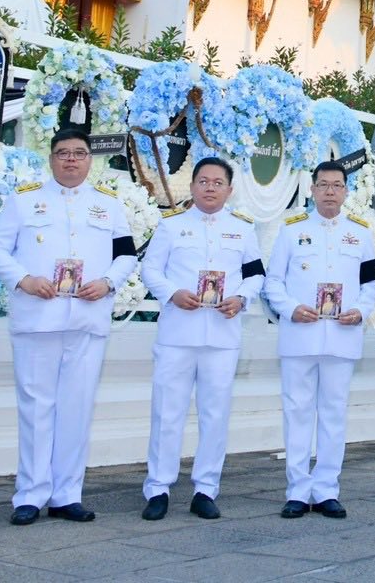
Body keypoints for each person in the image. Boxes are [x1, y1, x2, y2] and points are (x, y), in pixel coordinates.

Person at [0, 127, 137, 526]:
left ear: (90, 159)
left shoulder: (109, 205)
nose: (71, 159)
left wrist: (107, 283)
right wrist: (23, 279)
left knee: (76, 408)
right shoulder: (23, 201)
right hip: (38, 319)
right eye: (63, 153)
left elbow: (126, 255)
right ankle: (30, 495)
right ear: (51, 159)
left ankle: (67, 494)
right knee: (36, 408)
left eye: (79, 153)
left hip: (87, 320)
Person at [139, 158, 264, 521]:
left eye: (218, 182)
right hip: (178, 331)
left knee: (215, 413)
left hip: (222, 335)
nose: (210, 187)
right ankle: (158, 488)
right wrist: (171, 292)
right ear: (192, 186)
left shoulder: (242, 229)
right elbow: (150, 268)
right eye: (203, 181)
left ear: (229, 189)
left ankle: (206, 488)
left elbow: (256, 275)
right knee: (167, 411)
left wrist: (241, 298)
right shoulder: (171, 226)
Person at [263, 161, 375, 520]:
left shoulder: (361, 234)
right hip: (300, 335)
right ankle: (298, 491)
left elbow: (370, 285)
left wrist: (360, 311)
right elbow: (273, 283)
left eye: (337, 185)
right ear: (312, 189)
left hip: (341, 337)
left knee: (333, 414)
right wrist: (291, 308)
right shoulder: (290, 229)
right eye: (323, 185)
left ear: (346, 191)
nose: (330, 191)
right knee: (297, 413)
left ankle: (327, 489)